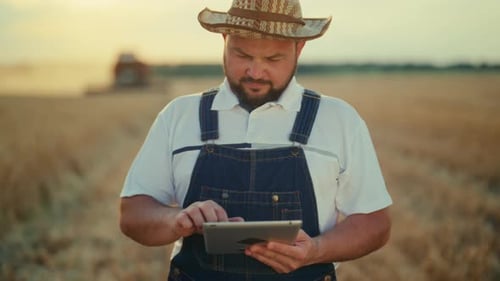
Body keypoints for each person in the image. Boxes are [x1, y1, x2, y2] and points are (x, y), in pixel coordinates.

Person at [119, 0, 392, 280]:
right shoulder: (178, 115)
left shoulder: (339, 119)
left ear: (299, 49)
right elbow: (132, 214)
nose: (255, 72)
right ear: (224, 40)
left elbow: (374, 222)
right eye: (242, 54)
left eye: (273, 59)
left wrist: (316, 250)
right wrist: (176, 220)